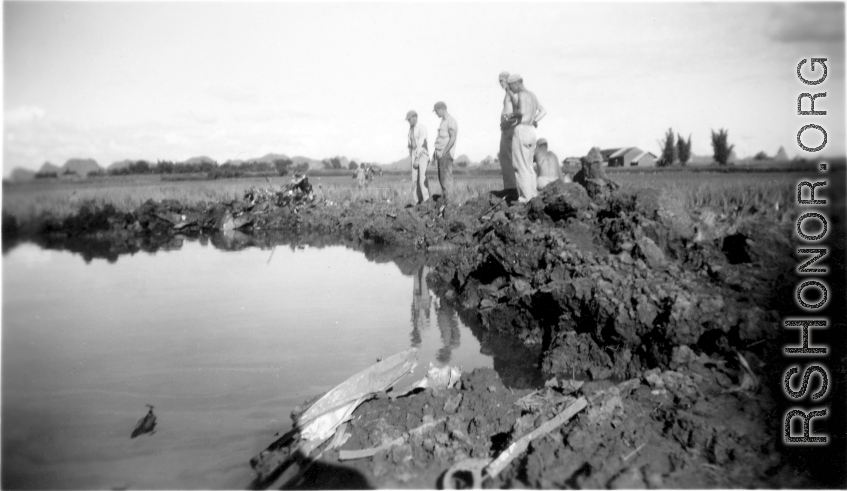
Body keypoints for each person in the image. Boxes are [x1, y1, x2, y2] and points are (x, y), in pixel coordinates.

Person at [506, 73, 547, 202]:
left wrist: (511, 116)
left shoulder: (522, 94)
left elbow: (522, 111)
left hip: (522, 130)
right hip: (531, 131)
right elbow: (543, 111)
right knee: (529, 166)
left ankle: (525, 198)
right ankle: (533, 195)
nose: (510, 89)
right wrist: (534, 120)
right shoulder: (532, 95)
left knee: (520, 166)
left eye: (510, 86)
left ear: (515, 83)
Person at [431, 101, 458, 204]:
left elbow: (452, 138)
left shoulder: (450, 121)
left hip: (445, 155)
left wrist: (444, 152)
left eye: (436, 111)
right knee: (442, 179)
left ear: (441, 109)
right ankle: (445, 202)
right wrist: (435, 155)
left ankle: (449, 203)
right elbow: (440, 140)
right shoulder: (443, 121)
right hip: (440, 155)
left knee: (446, 180)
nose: (436, 114)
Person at [498, 72, 518, 199]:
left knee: (510, 159)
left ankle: (513, 190)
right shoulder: (507, 93)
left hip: (510, 128)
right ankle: (509, 188)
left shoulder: (512, 93)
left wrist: (509, 120)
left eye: (502, 80)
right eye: (499, 81)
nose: (501, 83)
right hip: (506, 129)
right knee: (505, 159)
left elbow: (518, 109)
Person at [406, 110, 430, 204]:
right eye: (408, 120)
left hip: (422, 154)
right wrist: (411, 155)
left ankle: (426, 200)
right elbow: (409, 143)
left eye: (410, 119)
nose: (409, 121)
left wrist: (416, 158)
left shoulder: (421, 128)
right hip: (414, 154)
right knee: (414, 179)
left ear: (415, 117)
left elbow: (421, 144)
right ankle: (417, 201)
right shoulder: (410, 130)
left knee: (422, 178)